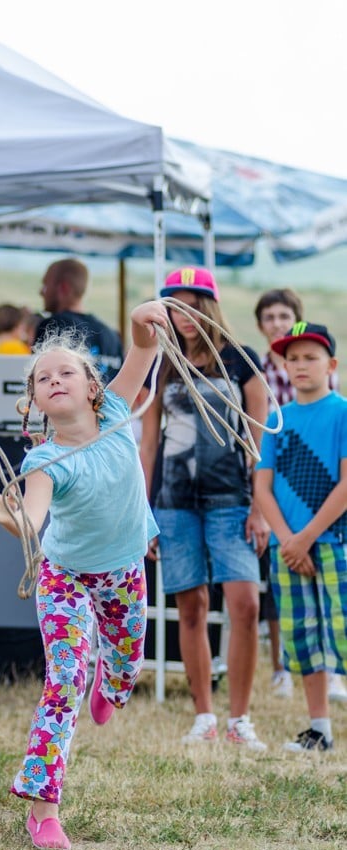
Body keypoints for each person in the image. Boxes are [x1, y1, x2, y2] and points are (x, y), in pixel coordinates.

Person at [0, 299, 168, 850]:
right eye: (42, 377)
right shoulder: (43, 462)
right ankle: (43, 809)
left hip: (124, 570)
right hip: (66, 579)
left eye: (66, 372)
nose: (54, 380)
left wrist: (140, 317)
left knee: (126, 666)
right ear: (33, 398)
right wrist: (15, 522)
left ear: (91, 387)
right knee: (63, 684)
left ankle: (112, 681)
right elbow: (34, 523)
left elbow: (144, 348)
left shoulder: (116, 414)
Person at [139, 267, 269, 750]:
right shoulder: (161, 363)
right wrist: (144, 510)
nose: (183, 313)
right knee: (190, 606)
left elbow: (259, 443)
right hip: (174, 502)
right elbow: (148, 444)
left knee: (245, 604)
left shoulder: (241, 361)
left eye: (193, 303)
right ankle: (204, 716)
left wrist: (260, 505)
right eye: (174, 304)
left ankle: (240, 720)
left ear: (210, 305)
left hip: (232, 497)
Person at [254, 322, 347, 752]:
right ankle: (319, 728)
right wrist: (288, 540)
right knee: (303, 634)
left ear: (331, 364)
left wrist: (306, 537)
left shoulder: (342, 413)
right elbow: (262, 488)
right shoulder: (277, 420)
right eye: (292, 358)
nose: (301, 365)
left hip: (332, 542)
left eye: (310, 357)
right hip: (287, 547)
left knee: (342, 629)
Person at [33, 258, 123, 384]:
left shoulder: (53, 326)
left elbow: (42, 381)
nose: (41, 293)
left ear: (63, 288)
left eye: (45, 285)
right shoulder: (112, 336)